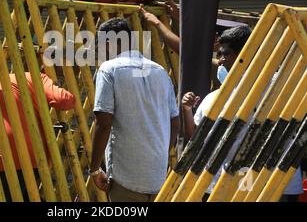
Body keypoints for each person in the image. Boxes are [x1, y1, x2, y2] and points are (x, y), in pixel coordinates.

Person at [181, 25, 303, 201]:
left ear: (247, 53)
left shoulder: (281, 86)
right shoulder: (216, 98)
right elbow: (196, 139)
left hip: (275, 186)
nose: (221, 61)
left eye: (226, 54)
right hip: (228, 187)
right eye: (219, 54)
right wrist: (186, 110)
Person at [0, 56, 76, 202]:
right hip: (38, 155)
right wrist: (55, 87)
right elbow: (66, 100)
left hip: (8, 157)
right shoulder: (32, 78)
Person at [90, 18, 180, 202]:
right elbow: (174, 122)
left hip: (125, 174)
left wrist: (94, 169)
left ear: (108, 43)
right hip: (157, 174)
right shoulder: (160, 71)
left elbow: (103, 123)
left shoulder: (109, 69)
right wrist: (161, 154)